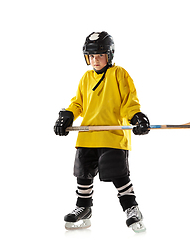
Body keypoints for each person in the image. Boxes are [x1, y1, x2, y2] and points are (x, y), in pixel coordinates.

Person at [54, 31, 150, 233]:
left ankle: (132, 208)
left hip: (112, 135)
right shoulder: (86, 78)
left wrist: (136, 117)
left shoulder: (119, 74)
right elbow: (78, 103)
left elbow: (128, 102)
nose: (95, 60)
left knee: (119, 175)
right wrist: (68, 115)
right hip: (88, 135)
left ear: (110, 55)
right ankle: (84, 208)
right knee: (83, 175)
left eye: (100, 55)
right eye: (91, 56)